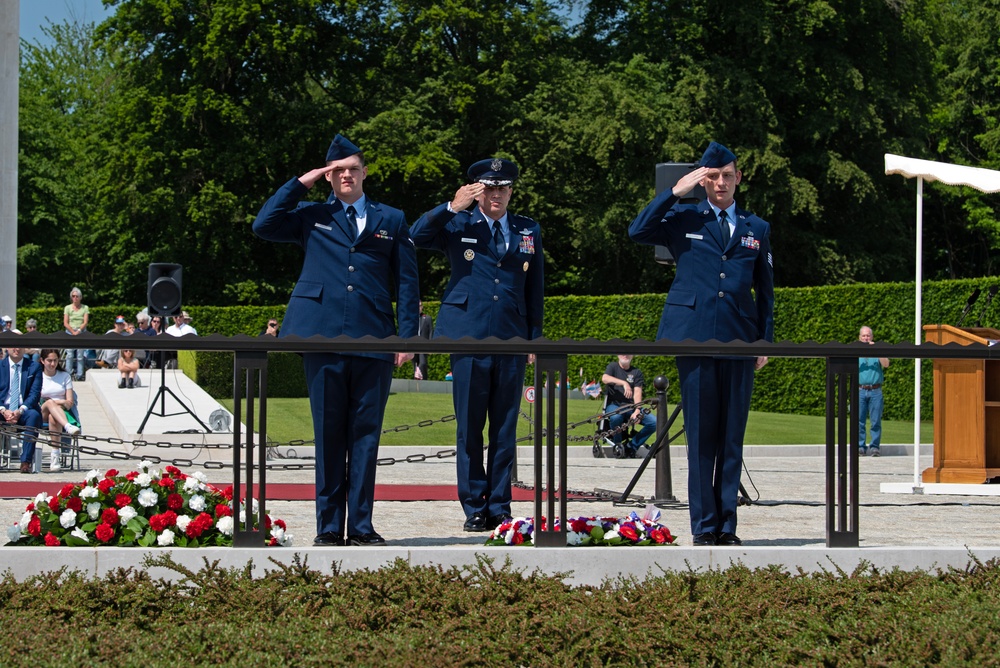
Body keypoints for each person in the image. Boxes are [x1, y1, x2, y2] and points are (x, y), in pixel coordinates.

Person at [253, 133, 419, 547]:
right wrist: (302, 181)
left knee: (366, 434)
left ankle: (360, 526)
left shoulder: (392, 219)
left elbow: (408, 283)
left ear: (364, 173)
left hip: (374, 338)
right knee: (328, 436)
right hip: (322, 336)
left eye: (353, 169)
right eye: (338, 170)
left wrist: (407, 337)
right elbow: (264, 224)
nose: (346, 175)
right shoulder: (311, 215)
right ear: (330, 176)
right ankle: (329, 526)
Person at [629, 141, 774, 547]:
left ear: (738, 178)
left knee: (731, 438)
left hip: (739, 339)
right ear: (703, 180)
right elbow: (638, 230)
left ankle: (727, 525)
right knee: (700, 437)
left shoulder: (755, 227)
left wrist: (764, 339)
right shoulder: (683, 216)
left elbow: (765, 290)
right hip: (693, 337)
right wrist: (674, 193)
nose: (721, 183)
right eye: (713, 177)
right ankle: (704, 525)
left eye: (728, 175)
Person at [410, 157, 544, 533]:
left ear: (511, 190)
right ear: (477, 190)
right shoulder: (458, 222)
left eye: (503, 187)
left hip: (511, 337)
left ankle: (500, 505)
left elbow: (535, 288)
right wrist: (452, 206)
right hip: (467, 334)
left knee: (504, 427)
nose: (497, 193)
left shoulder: (526, 228)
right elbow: (415, 236)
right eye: (489, 187)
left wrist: (534, 337)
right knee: (470, 426)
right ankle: (473, 505)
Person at [0, 332, 44, 474]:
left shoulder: (34, 367)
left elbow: (34, 394)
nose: (16, 349)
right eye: (13, 345)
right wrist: (3, 410)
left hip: (24, 409)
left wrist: (20, 410)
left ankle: (25, 461)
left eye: (19, 345)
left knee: (34, 415)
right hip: (2, 408)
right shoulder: (0, 366)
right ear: (7, 347)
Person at [601, 354, 658, 458]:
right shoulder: (613, 367)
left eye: (628, 353)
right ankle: (617, 445)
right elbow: (605, 378)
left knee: (654, 422)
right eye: (623, 353)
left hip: (631, 407)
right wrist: (624, 383)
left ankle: (631, 447)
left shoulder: (636, 372)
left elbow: (637, 392)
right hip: (615, 405)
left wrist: (637, 410)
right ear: (618, 355)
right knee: (616, 417)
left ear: (633, 356)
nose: (625, 355)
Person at [37, 348, 80, 472]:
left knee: (53, 416)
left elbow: (70, 402)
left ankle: (55, 455)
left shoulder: (65, 376)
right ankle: (67, 426)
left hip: (62, 412)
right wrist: (59, 401)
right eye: (49, 360)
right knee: (49, 403)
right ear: (42, 361)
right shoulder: (39, 376)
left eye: (55, 360)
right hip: (42, 410)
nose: (52, 364)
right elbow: (36, 398)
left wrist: (57, 403)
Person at [857, 326, 889, 457]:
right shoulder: (856, 351)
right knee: (859, 421)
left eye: (868, 335)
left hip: (875, 390)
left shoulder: (877, 350)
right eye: (864, 336)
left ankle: (875, 447)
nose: (866, 338)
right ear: (859, 338)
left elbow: (886, 364)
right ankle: (860, 446)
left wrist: (877, 350)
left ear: (872, 337)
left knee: (875, 421)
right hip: (860, 390)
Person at [62, 287, 90, 381]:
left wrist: (78, 331)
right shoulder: (67, 308)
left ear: (80, 297)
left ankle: (80, 375)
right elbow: (65, 322)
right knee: (69, 354)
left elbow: (85, 321)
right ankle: (68, 374)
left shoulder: (85, 308)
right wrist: (72, 331)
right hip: (70, 331)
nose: (75, 298)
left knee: (80, 355)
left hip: (81, 331)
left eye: (77, 296)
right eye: (73, 296)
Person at [414, 302, 433, 380]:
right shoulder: (411, 319)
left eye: (420, 306)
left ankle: (424, 380)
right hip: (413, 344)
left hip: (423, 345)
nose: (419, 308)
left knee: (423, 363)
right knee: (414, 364)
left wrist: (431, 346)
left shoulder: (427, 318)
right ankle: (415, 381)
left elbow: (431, 332)